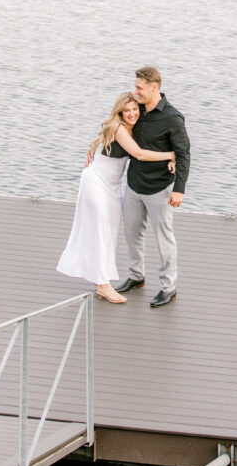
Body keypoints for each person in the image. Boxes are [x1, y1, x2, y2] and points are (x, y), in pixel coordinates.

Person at [57, 92, 175, 303]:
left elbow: (145, 147)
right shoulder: (119, 128)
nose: (131, 114)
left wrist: (170, 160)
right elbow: (138, 154)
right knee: (101, 232)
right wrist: (170, 155)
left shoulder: (135, 128)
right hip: (96, 182)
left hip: (112, 187)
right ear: (120, 111)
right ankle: (103, 285)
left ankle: (100, 280)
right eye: (127, 110)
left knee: (108, 233)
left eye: (135, 110)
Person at [116, 66, 190, 308]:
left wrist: (179, 189)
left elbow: (183, 154)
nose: (135, 91)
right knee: (132, 233)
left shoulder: (173, 118)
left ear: (154, 87)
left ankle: (169, 287)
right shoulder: (136, 111)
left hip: (160, 189)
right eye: (135, 87)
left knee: (163, 238)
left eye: (140, 88)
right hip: (134, 185)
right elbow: (116, 131)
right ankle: (136, 276)